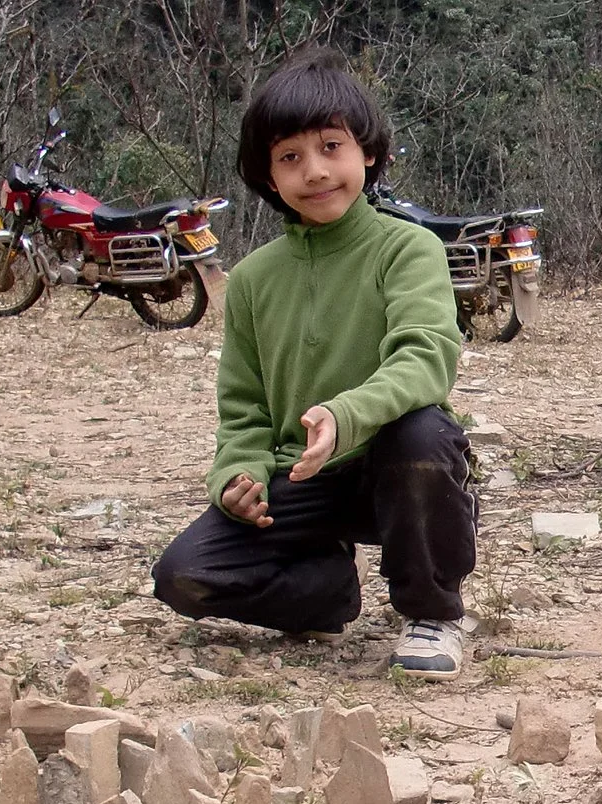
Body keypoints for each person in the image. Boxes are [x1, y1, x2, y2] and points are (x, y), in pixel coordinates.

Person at [151, 50, 474, 678]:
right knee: (184, 577)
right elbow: (243, 404)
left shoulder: (407, 249)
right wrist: (237, 475)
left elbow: (426, 358)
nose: (316, 171)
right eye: (290, 156)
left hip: (392, 470)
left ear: (368, 153)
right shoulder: (250, 280)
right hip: (300, 479)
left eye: (332, 146)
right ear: (269, 178)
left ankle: (432, 610)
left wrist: (342, 414)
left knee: (424, 433)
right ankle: (326, 593)